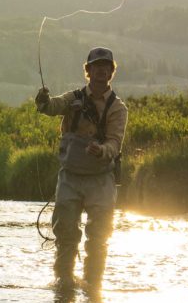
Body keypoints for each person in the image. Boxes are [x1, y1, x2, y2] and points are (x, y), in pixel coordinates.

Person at [35, 46, 128, 287]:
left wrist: (102, 151)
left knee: (99, 237)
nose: (101, 71)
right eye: (96, 66)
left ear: (111, 72)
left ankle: (92, 284)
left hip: (101, 179)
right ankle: (64, 282)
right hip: (70, 178)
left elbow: (115, 142)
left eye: (106, 67)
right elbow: (52, 107)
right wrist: (43, 101)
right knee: (65, 232)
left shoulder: (118, 108)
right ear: (88, 70)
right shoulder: (72, 98)